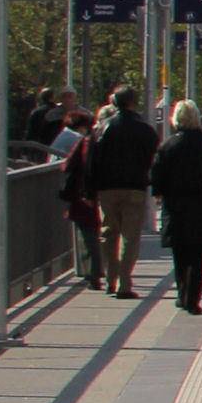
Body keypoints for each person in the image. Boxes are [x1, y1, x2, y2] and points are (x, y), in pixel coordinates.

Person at [85, 85, 158, 297]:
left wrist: (89, 191)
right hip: (134, 187)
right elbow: (151, 156)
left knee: (108, 233)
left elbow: (92, 163)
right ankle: (125, 282)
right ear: (134, 102)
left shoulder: (102, 129)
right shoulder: (144, 129)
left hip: (107, 188)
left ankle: (111, 278)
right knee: (130, 236)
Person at [150, 100, 202, 316]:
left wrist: (159, 194)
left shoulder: (168, 145)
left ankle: (182, 293)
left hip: (176, 207)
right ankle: (193, 298)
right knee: (199, 256)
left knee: (180, 255)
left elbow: (157, 177)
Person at [56, 107, 102, 282]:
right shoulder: (99, 143)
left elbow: (67, 166)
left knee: (87, 233)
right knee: (97, 231)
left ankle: (92, 272)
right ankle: (100, 271)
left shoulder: (84, 143)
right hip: (100, 191)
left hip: (82, 193)